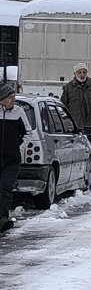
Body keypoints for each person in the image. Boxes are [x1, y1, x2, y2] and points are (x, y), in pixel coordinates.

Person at [61, 63, 91, 174]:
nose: (82, 75)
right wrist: (65, 120)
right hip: (76, 123)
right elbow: (63, 105)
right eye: (79, 72)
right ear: (75, 74)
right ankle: (73, 164)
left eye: (84, 72)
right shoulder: (69, 87)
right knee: (75, 144)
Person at [0, 84, 29, 232]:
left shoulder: (19, 112)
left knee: (5, 188)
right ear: (2, 99)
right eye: (10, 98)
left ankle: (3, 218)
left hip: (12, 159)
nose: (13, 100)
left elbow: (27, 133)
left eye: (14, 97)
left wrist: (19, 147)